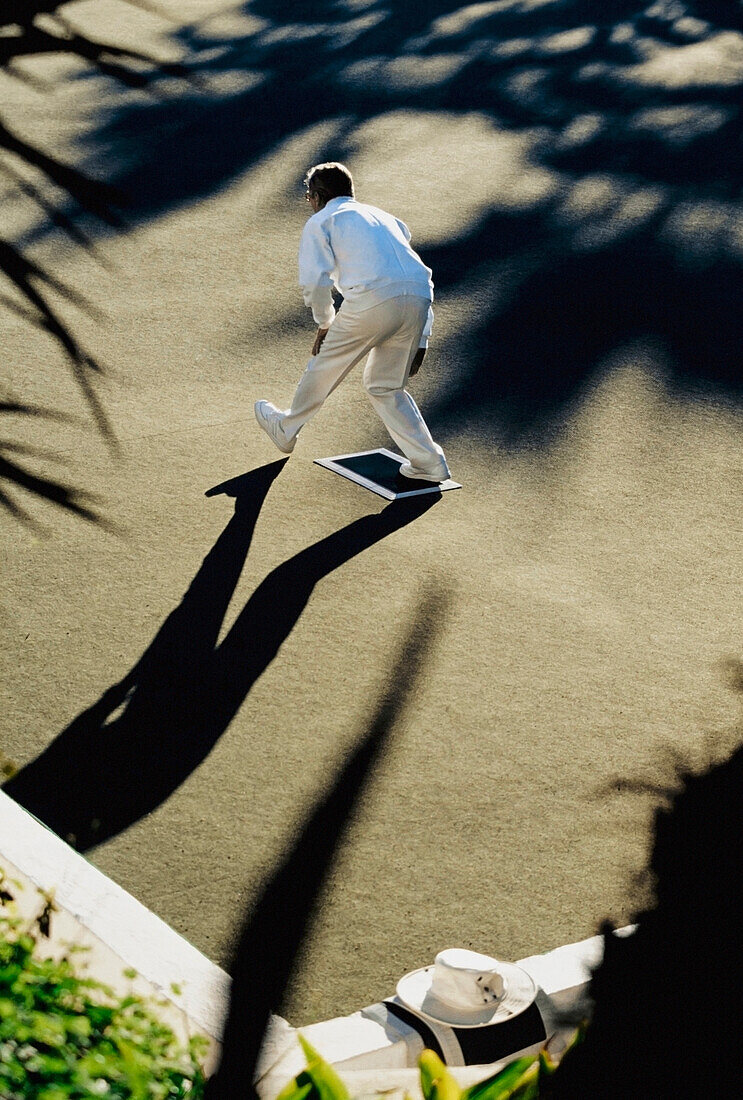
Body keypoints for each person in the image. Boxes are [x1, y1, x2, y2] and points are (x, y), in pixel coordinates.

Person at [254, 162, 451, 483]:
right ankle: (429, 463)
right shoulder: (388, 219)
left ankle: (286, 429)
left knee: (324, 364)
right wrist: (421, 340)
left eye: (308, 196)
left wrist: (324, 322)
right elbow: (415, 275)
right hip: (417, 299)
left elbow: (315, 279)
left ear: (318, 196)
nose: (309, 202)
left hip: (372, 299)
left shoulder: (321, 221)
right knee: (385, 386)